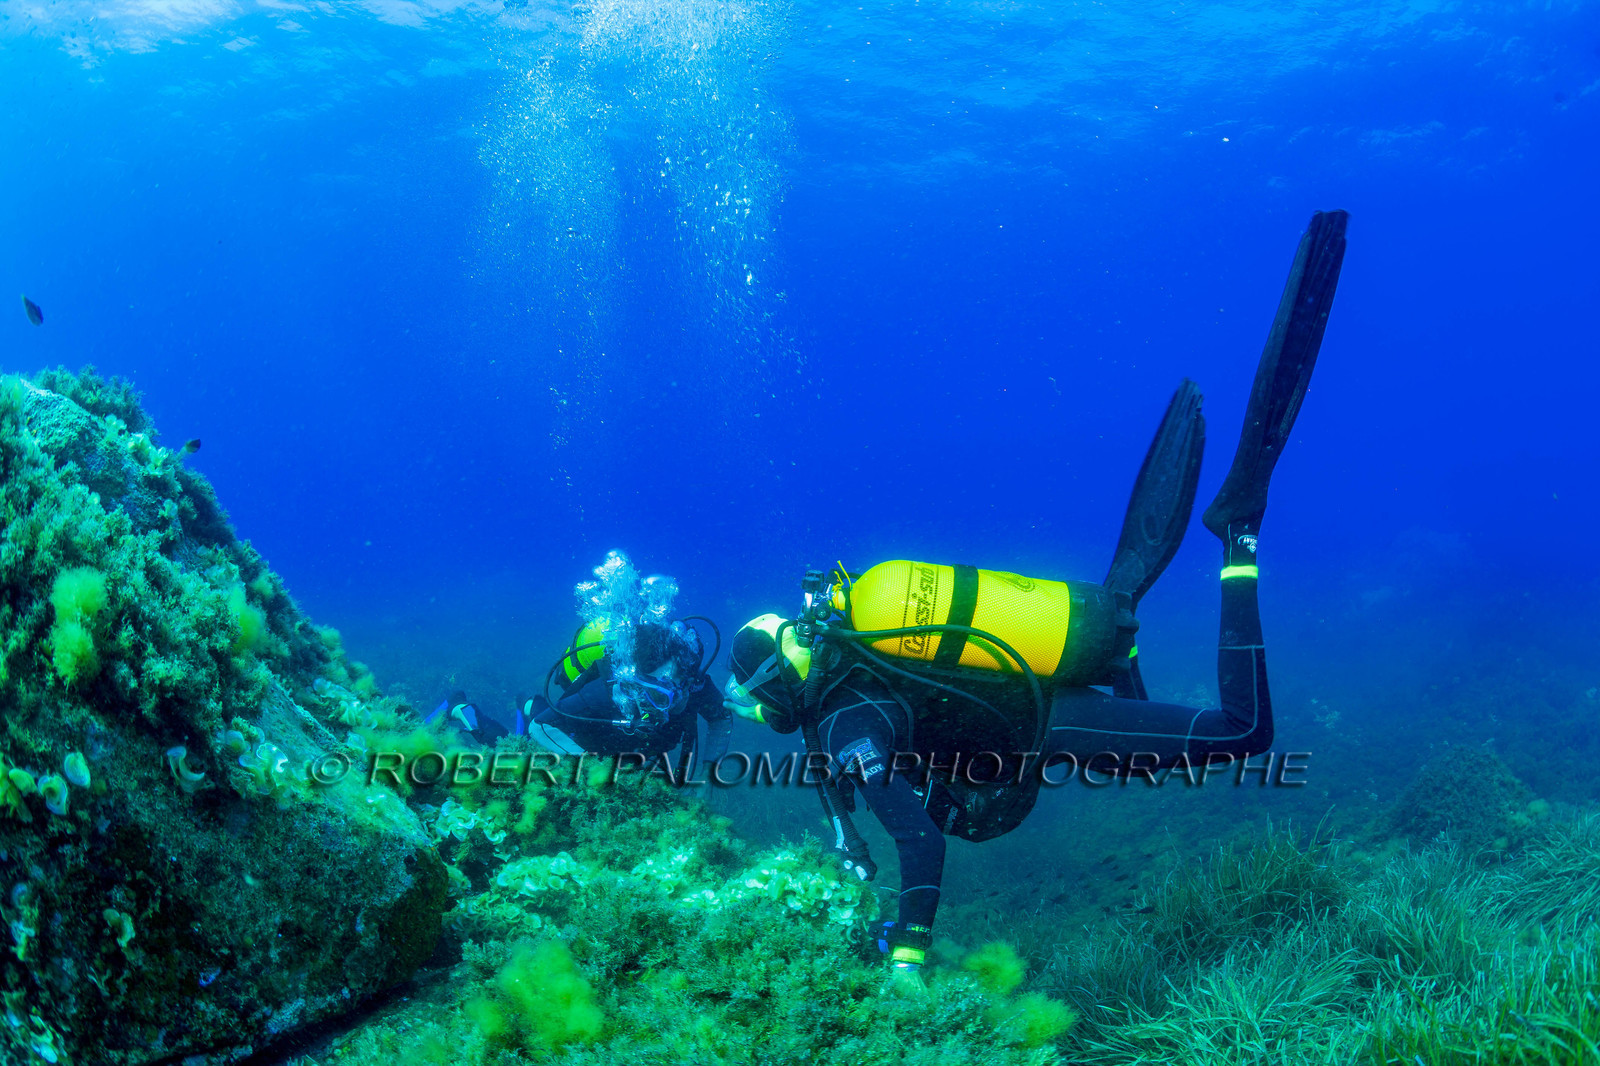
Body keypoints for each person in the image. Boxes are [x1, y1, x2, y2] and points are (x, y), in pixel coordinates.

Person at [723, 211, 1349, 976]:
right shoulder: (851, 682)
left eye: (761, 704)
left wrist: (908, 955)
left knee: (1242, 735)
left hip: (1051, 720)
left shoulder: (847, 716)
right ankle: (1120, 636)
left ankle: (1238, 535)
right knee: (1145, 743)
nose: (765, 718)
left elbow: (917, 838)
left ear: (783, 688)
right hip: (1042, 705)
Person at [518, 553, 732, 764]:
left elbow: (721, 718)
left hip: (637, 749)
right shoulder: (607, 689)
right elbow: (541, 726)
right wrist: (589, 765)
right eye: (644, 690)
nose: (650, 704)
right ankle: (528, 703)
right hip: (596, 727)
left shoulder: (695, 686)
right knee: (555, 716)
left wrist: (709, 778)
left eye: (662, 697)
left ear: (686, 686)